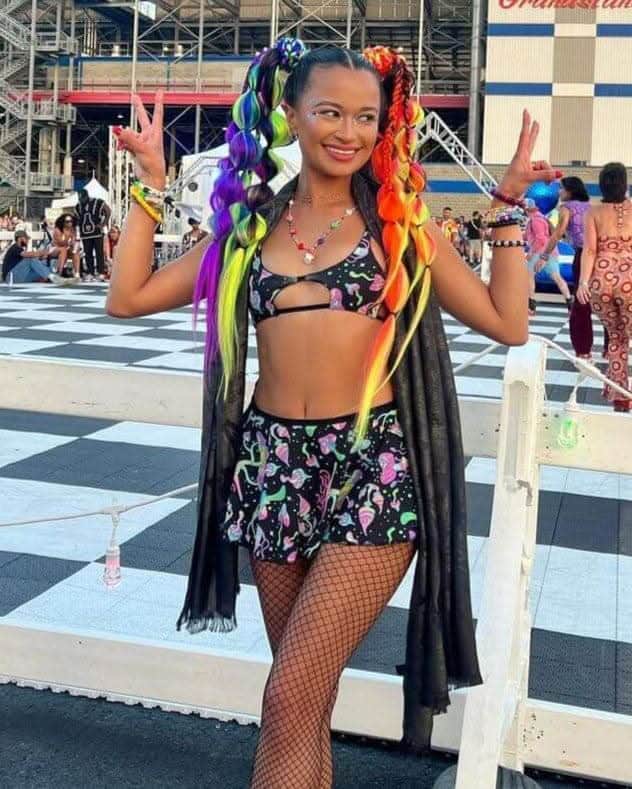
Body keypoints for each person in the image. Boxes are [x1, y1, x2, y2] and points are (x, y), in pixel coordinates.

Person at [108, 38, 558, 788]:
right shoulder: (250, 226)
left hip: (374, 472)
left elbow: (506, 321)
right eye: (329, 112)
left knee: (286, 694)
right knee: (304, 703)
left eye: (366, 117)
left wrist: (506, 208)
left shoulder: (398, 226)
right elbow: (129, 297)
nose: (348, 131)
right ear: (291, 114)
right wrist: (150, 186)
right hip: (272, 469)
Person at [577, 162, 632, 412]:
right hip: (629, 278)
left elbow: (589, 249)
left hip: (601, 280)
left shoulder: (593, 212)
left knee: (617, 339)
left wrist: (583, 283)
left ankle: (621, 395)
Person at [539, 176, 607, 360]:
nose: (559, 192)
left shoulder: (566, 208)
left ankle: (583, 350)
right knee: (603, 300)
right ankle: (609, 348)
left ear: (570, 190)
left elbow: (558, 234)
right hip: (601, 256)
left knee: (581, 303)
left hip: (582, 255)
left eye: (561, 188)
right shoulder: (592, 207)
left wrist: (544, 256)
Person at [524, 198, 572, 315]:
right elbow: (528, 237)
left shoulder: (535, 220)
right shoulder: (540, 218)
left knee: (529, 276)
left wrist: (531, 252)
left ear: (526, 209)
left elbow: (540, 239)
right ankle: (570, 303)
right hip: (551, 251)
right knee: (557, 278)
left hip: (539, 252)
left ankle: (531, 305)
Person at [76, 188, 111, 281]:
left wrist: (103, 224)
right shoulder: (77, 206)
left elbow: (108, 211)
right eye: (80, 199)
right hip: (85, 233)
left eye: (83, 199)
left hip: (97, 232)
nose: (82, 201)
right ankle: (90, 272)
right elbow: (78, 218)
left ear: (87, 196)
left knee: (99, 252)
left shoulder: (98, 202)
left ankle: (101, 273)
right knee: (88, 253)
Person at [52, 214, 81, 278]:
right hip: (55, 249)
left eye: (71, 221)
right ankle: (59, 273)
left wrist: (74, 247)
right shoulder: (58, 229)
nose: (70, 223)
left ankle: (77, 274)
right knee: (63, 250)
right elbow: (60, 243)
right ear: (63, 222)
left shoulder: (72, 230)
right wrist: (70, 243)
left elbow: (74, 241)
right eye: (67, 221)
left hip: (66, 248)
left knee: (75, 252)